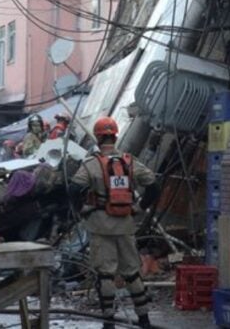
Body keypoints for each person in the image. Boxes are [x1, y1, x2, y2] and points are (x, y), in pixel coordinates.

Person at [70, 116, 160, 329]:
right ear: (115, 136)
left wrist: (82, 209)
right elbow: (154, 185)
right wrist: (139, 208)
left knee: (105, 273)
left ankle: (108, 321)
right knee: (132, 271)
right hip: (126, 224)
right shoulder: (130, 163)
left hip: (100, 226)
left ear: (98, 138)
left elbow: (74, 189)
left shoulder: (92, 165)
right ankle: (144, 319)